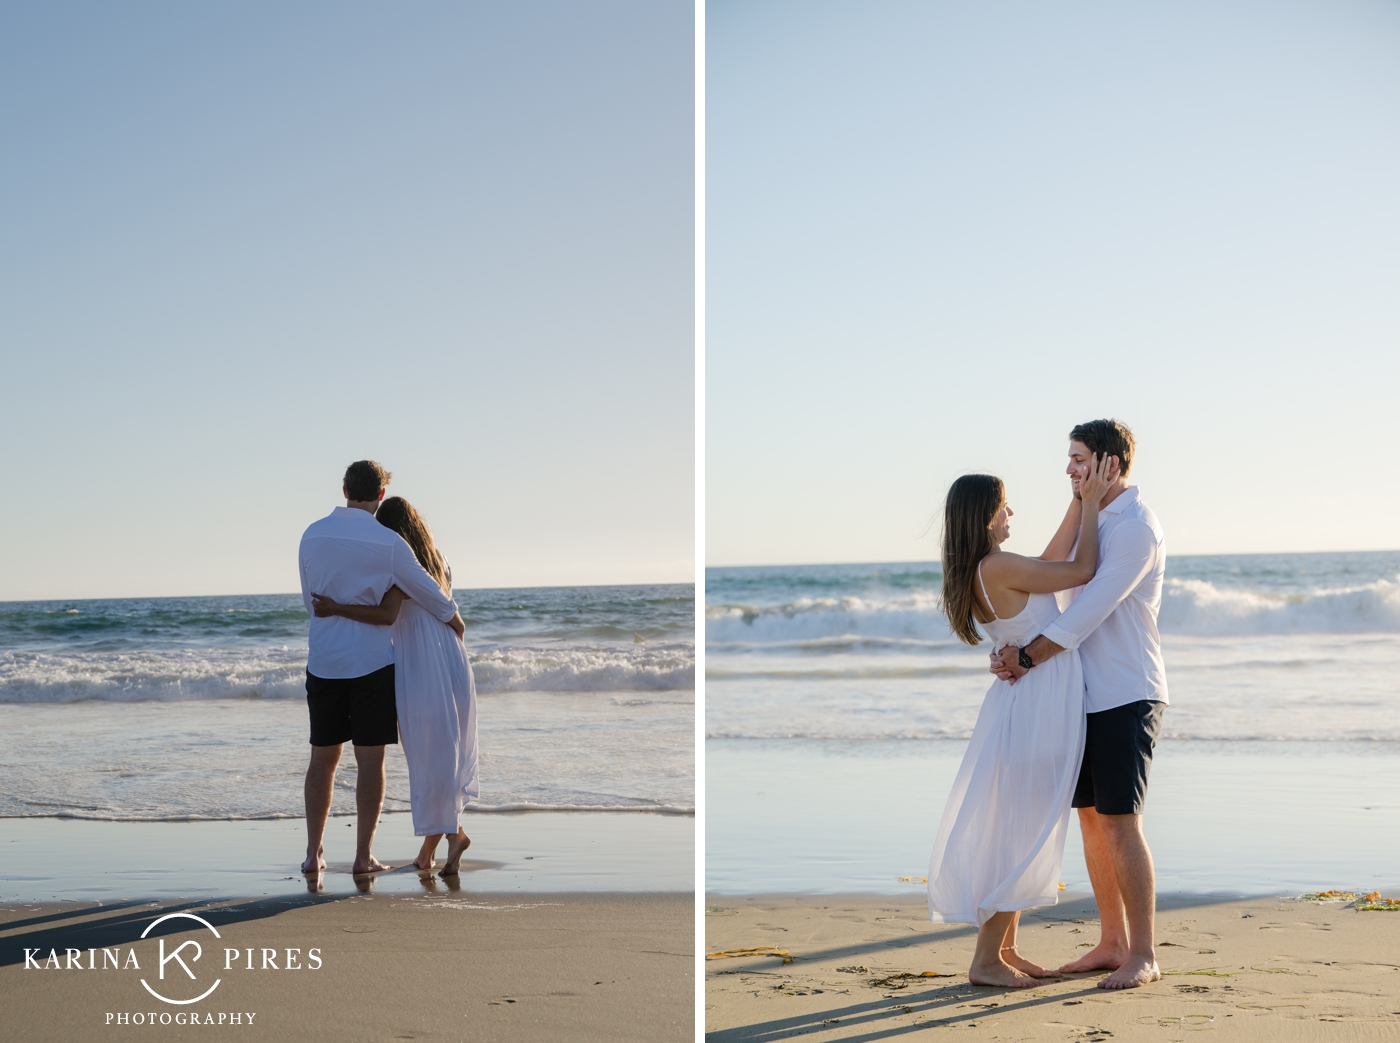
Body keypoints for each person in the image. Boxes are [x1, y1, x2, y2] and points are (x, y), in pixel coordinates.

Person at [927, 452, 1117, 988]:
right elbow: (1080, 569)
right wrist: (1095, 506)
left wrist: (1078, 501)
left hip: (1022, 702)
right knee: (1023, 832)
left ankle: (1002, 952)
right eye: (1004, 504)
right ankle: (987, 960)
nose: (1012, 510)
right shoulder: (1000, 567)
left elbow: (1053, 559)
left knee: (1015, 826)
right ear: (987, 514)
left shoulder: (981, 571)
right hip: (1038, 705)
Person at [990, 418, 1168, 990]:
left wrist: (1028, 657)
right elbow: (1044, 578)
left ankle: (1143, 953)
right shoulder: (1097, 519)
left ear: (1110, 463)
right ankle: (1111, 942)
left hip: (1125, 692)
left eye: (1078, 458)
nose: (1068, 468)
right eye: (1068, 458)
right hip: (1081, 698)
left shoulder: (1135, 526)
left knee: (1121, 822)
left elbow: (1087, 610)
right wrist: (1011, 647)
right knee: (1093, 822)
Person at [297, 461, 466, 876]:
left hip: (324, 661)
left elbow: (309, 602)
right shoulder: (388, 542)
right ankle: (361, 857)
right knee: (370, 763)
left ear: (343, 489)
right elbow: (427, 589)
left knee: (322, 760)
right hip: (370, 666)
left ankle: (313, 854)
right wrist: (453, 617)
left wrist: (334, 615)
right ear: (380, 495)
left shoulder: (311, 534)